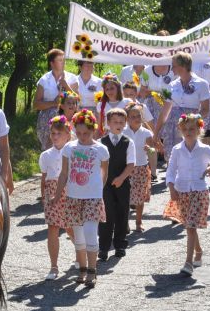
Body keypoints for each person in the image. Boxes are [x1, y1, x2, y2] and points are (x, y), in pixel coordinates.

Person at [164, 113, 210, 277]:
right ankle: (198, 251)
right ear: (180, 130)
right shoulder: (177, 150)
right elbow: (170, 171)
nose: (188, 132)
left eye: (192, 129)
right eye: (184, 129)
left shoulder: (204, 149)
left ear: (199, 130)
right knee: (189, 226)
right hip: (182, 191)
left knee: (191, 226)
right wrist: (171, 188)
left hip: (199, 191)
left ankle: (188, 262)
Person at [52, 109, 109, 287]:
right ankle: (82, 269)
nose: (83, 136)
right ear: (74, 131)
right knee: (78, 234)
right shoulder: (70, 148)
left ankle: (92, 270)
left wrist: (98, 189)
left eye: (87, 133)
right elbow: (64, 173)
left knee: (91, 232)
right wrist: (57, 194)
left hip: (92, 197)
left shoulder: (101, 149)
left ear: (94, 130)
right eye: (79, 133)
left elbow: (104, 172)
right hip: (73, 197)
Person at [155, 52, 210, 162]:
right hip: (173, 126)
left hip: (190, 126)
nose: (171, 69)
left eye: (174, 65)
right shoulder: (172, 85)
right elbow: (165, 112)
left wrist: (194, 118)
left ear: (183, 66)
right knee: (172, 158)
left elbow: (205, 109)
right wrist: (156, 133)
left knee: (190, 157)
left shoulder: (201, 83)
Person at [39, 115, 75, 281]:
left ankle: (81, 252)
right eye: (52, 133)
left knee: (70, 227)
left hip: (70, 191)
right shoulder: (46, 155)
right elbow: (44, 178)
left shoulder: (75, 151)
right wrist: (43, 198)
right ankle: (54, 266)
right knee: (53, 227)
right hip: (52, 193)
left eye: (59, 133)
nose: (54, 136)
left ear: (68, 134)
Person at [98, 108, 136, 261]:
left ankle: (120, 245)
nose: (118, 125)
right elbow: (98, 164)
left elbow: (131, 164)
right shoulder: (101, 142)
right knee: (106, 215)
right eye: (115, 122)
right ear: (108, 123)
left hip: (122, 183)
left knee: (122, 213)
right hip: (105, 184)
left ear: (125, 123)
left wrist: (121, 178)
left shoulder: (128, 142)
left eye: (121, 122)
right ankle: (104, 247)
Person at [34, 49, 80, 150]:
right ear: (52, 63)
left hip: (67, 117)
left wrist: (66, 85)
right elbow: (36, 104)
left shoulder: (72, 78)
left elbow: (77, 99)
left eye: (64, 60)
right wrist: (54, 103)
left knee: (68, 145)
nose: (63, 62)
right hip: (48, 118)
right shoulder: (44, 80)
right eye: (60, 60)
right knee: (50, 146)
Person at [122, 103, 154, 232]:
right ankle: (125, 223)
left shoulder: (147, 132)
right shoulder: (123, 132)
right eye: (133, 116)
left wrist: (149, 149)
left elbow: (152, 151)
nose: (136, 118)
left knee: (140, 197)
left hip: (141, 167)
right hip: (126, 168)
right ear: (127, 119)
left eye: (138, 115)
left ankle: (138, 222)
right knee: (125, 197)